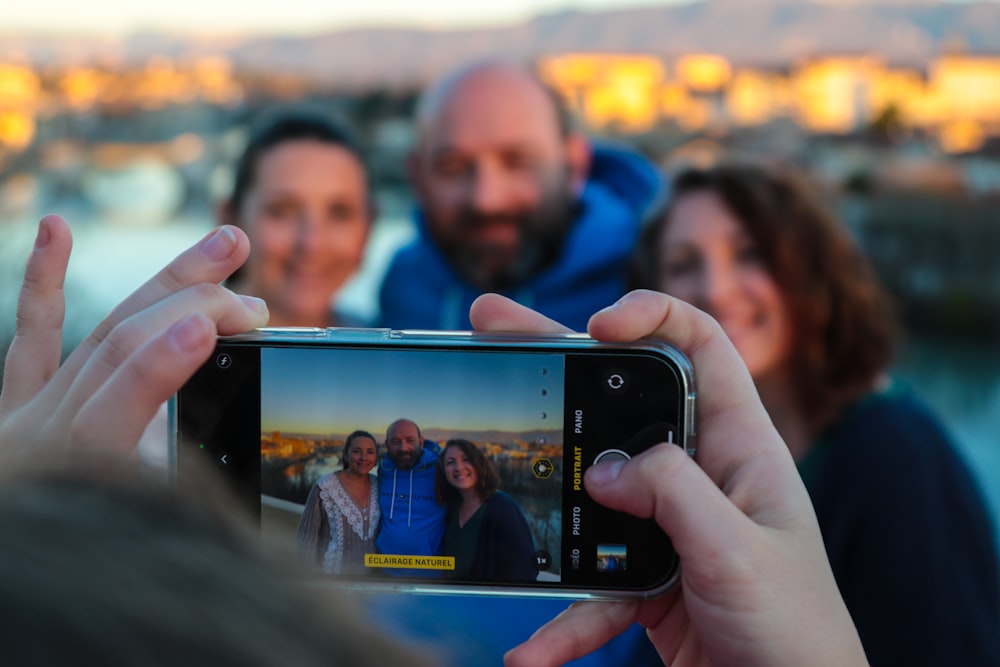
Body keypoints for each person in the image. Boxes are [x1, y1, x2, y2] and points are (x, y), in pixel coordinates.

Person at [1, 215, 867, 666]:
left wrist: (46, 546)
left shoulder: (482, 519)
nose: (408, 452)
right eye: (394, 442)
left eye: (423, 443)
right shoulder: (371, 504)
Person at [632, 162, 1000, 666]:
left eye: (750, 254)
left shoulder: (896, 454)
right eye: (681, 264)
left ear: (807, 269)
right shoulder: (679, 464)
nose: (714, 289)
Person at [378, 60, 666, 331]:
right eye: (453, 167)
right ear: (417, 175)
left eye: (518, 162)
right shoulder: (400, 286)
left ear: (575, 164)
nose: (486, 199)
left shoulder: (661, 274)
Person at [218, 107, 374, 328]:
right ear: (230, 218)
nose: (312, 243)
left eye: (340, 213)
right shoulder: (176, 350)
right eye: (282, 211)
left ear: (368, 228)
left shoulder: (393, 354)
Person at [435, 438, 537, 582]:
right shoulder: (451, 508)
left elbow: (523, 570)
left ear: (479, 464)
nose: (459, 467)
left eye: (466, 459)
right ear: (443, 471)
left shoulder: (502, 507)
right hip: (454, 600)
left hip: (488, 602)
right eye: (450, 462)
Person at [297, 429, 380, 574]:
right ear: (345, 455)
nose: (363, 457)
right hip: (332, 585)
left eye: (370, 452)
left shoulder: (380, 486)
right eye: (356, 451)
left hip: (372, 584)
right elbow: (307, 540)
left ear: (376, 458)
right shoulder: (324, 487)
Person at [374, 419, 446, 575]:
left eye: (410, 441)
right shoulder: (383, 471)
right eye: (395, 442)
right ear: (387, 444)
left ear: (421, 441)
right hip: (384, 573)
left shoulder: (441, 470)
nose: (403, 448)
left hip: (429, 574)